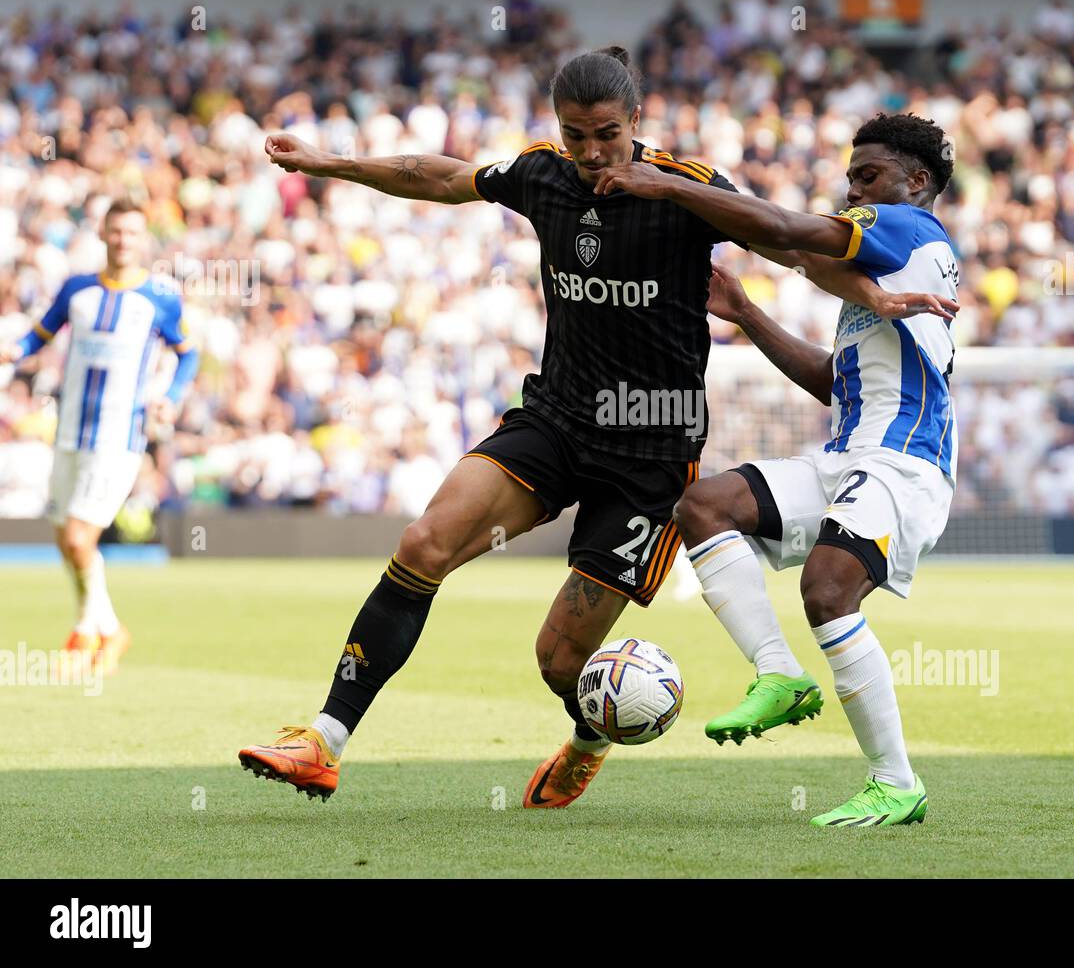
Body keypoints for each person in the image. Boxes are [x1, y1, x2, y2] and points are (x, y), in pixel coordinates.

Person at [237, 46, 888, 807]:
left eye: (605, 134)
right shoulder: (543, 172)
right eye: (574, 134)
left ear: (637, 122)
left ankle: (589, 736)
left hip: (651, 450)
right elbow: (439, 176)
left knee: (557, 663)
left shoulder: (688, 189)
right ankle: (325, 740)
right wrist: (331, 165)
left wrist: (877, 295)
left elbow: (788, 242)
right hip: (556, 418)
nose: (589, 151)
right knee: (422, 545)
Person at [596, 112, 959, 827]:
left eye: (869, 175)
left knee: (827, 589)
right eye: (851, 176)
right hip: (849, 456)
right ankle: (779, 673)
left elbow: (788, 233)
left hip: (904, 463)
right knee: (705, 506)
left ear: (917, 183)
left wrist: (667, 187)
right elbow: (832, 381)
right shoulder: (879, 272)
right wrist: (745, 312)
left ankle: (896, 783)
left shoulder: (911, 230)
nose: (854, 189)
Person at [0, 200, 199, 677]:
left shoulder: (159, 298)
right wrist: (14, 351)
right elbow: (39, 336)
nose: (123, 240)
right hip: (69, 430)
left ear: (142, 238)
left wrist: (170, 395)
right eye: (115, 232)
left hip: (119, 436)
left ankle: (100, 629)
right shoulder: (77, 289)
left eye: (131, 233)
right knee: (66, 541)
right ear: (103, 234)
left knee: (78, 535)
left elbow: (187, 355)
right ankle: (93, 629)